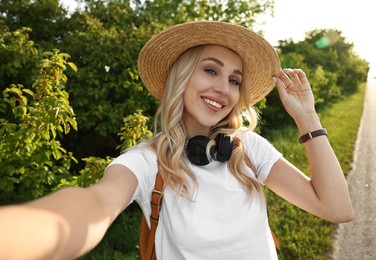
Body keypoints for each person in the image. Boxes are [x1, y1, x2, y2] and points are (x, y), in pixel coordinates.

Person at [0, 21, 353, 259]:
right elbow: (92, 207)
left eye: (234, 79)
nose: (223, 88)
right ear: (182, 78)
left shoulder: (247, 148)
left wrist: (307, 116)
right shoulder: (145, 161)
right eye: (210, 70)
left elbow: (336, 209)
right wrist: (23, 232)